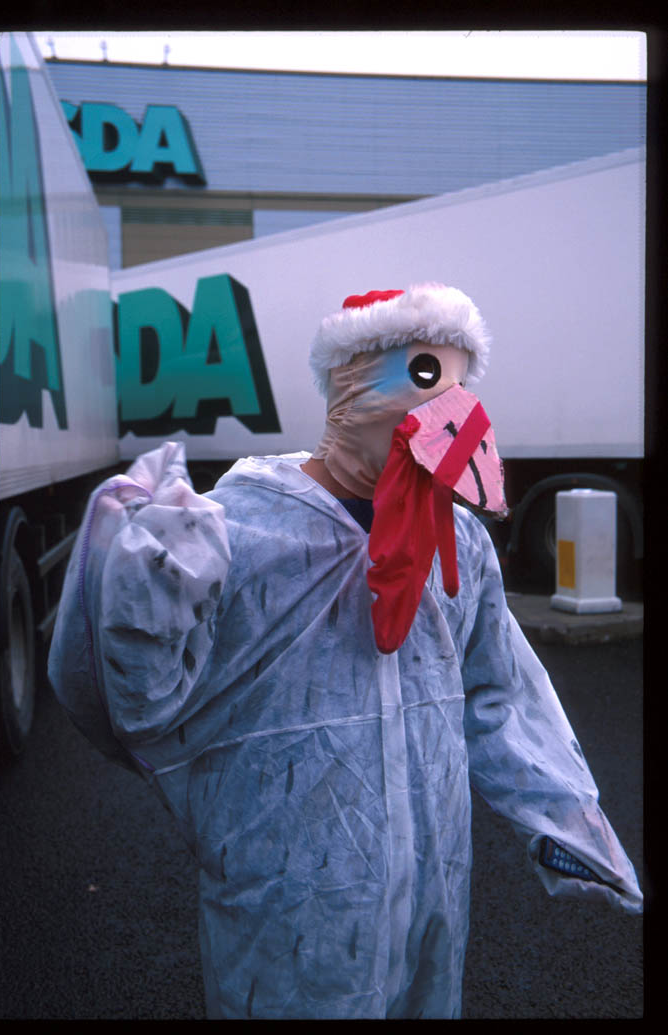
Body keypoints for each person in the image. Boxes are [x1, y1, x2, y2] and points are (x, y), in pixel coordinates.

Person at [48, 282, 642, 1020]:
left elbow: (498, 691)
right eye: (423, 376)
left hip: (433, 885)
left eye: (458, 384)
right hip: (287, 897)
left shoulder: (457, 543)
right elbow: (137, 702)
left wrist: (563, 818)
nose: (447, 409)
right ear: (347, 381)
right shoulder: (233, 530)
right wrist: (143, 585)